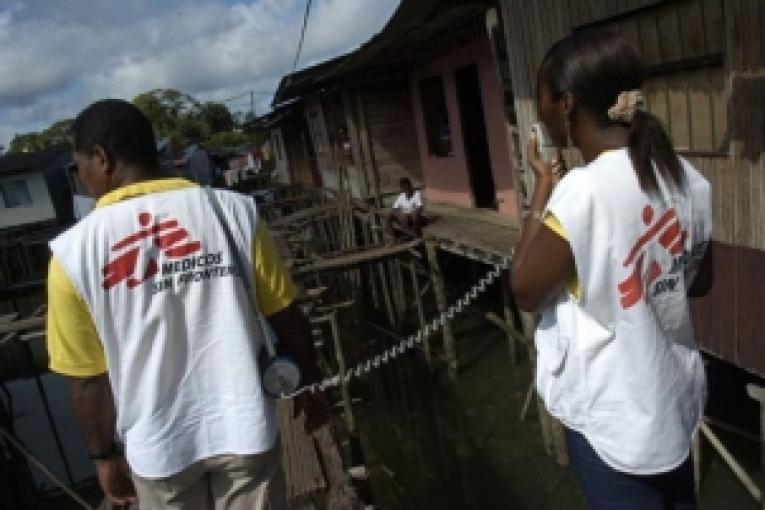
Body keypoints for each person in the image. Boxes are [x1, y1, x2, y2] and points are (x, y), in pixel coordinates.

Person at [46, 99, 329, 509]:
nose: (83, 179)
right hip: (244, 430)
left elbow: (88, 380)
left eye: (80, 167)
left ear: (101, 159)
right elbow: (286, 315)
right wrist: (310, 383)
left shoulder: (73, 254)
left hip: (158, 450)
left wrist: (103, 455)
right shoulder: (234, 212)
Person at [510, 31, 713, 510]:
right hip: (672, 402)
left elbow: (523, 289)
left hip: (614, 419)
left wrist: (542, 186)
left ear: (566, 106)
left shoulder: (583, 191)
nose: (539, 111)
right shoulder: (687, 178)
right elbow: (700, 280)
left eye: (542, 99)